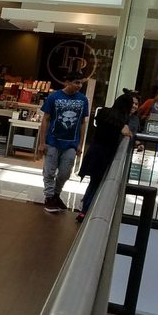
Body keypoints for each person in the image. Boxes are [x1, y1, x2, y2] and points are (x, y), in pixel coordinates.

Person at [76, 91, 138, 222]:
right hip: (106, 155)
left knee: (93, 182)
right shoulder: (122, 121)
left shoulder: (104, 113)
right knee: (97, 183)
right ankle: (87, 210)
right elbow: (127, 133)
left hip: (94, 150)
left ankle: (84, 209)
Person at [37, 71, 89, 213]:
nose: (79, 85)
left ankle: (56, 194)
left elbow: (83, 122)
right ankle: (49, 197)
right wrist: (42, 142)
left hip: (71, 143)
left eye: (81, 83)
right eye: (76, 82)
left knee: (65, 173)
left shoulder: (83, 100)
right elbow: (46, 119)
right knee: (49, 171)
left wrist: (80, 144)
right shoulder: (54, 97)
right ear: (67, 82)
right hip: (52, 141)